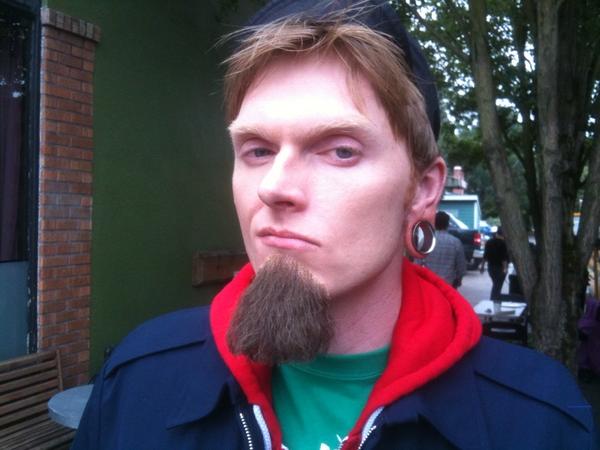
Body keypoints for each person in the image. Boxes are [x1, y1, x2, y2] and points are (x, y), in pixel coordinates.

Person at [72, 1, 595, 449]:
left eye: (340, 151)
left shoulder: (539, 422)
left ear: (422, 190)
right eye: (257, 150)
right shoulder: (135, 384)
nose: (274, 187)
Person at [424, 211, 466, 288]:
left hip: (429, 283)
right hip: (448, 284)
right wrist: (459, 279)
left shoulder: (427, 241)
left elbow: (417, 263)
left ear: (434, 223)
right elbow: (461, 266)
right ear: (447, 224)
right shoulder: (455, 242)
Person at [481, 227, 509, 300]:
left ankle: (495, 300)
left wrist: (482, 266)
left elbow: (485, 255)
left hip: (491, 267)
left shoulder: (489, 242)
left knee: (496, 285)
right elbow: (504, 258)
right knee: (497, 287)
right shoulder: (503, 243)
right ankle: (494, 300)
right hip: (500, 268)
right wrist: (505, 269)